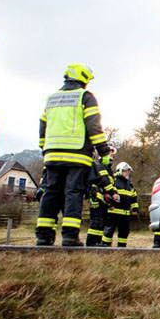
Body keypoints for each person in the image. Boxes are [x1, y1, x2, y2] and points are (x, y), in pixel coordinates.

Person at [35, 64, 110, 247]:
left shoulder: (52, 98)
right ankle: (69, 236)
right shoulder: (85, 97)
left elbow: (43, 124)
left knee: (50, 193)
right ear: (83, 79)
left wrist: (44, 148)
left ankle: (43, 236)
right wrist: (104, 151)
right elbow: (94, 125)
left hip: (52, 155)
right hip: (76, 155)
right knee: (73, 193)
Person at [86, 147, 118, 246]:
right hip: (97, 199)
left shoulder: (108, 169)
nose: (112, 157)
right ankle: (91, 243)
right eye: (110, 155)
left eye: (113, 155)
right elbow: (105, 182)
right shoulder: (100, 167)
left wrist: (110, 203)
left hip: (103, 201)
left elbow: (111, 184)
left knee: (102, 222)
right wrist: (113, 194)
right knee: (96, 221)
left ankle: (97, 242)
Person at [102, 162, 138, 247]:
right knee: (109, 231)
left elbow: (134, 197)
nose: (127, 173)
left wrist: (135, 209)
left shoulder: (129, 184)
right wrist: (109, 205)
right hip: (113, 213)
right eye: (125, 171)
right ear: (119, 171)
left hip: (125, 214)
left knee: (124, 232)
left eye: (128, 171)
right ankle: (104, 247)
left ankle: (122, 249)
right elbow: (106, 194)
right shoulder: (113, 181)